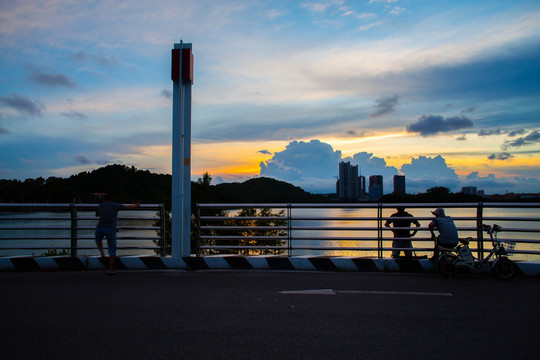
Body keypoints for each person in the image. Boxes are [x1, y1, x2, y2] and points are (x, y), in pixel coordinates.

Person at [95, 194, 140, 275]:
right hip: (110, 229)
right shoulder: (115, 205)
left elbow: (97, 215)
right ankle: (110, 269)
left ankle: (102, 253)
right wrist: (136, 205)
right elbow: (127, 207)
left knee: (98, 240)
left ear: (104, 199)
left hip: (100, 228)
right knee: (112, 249)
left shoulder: (100, 206)